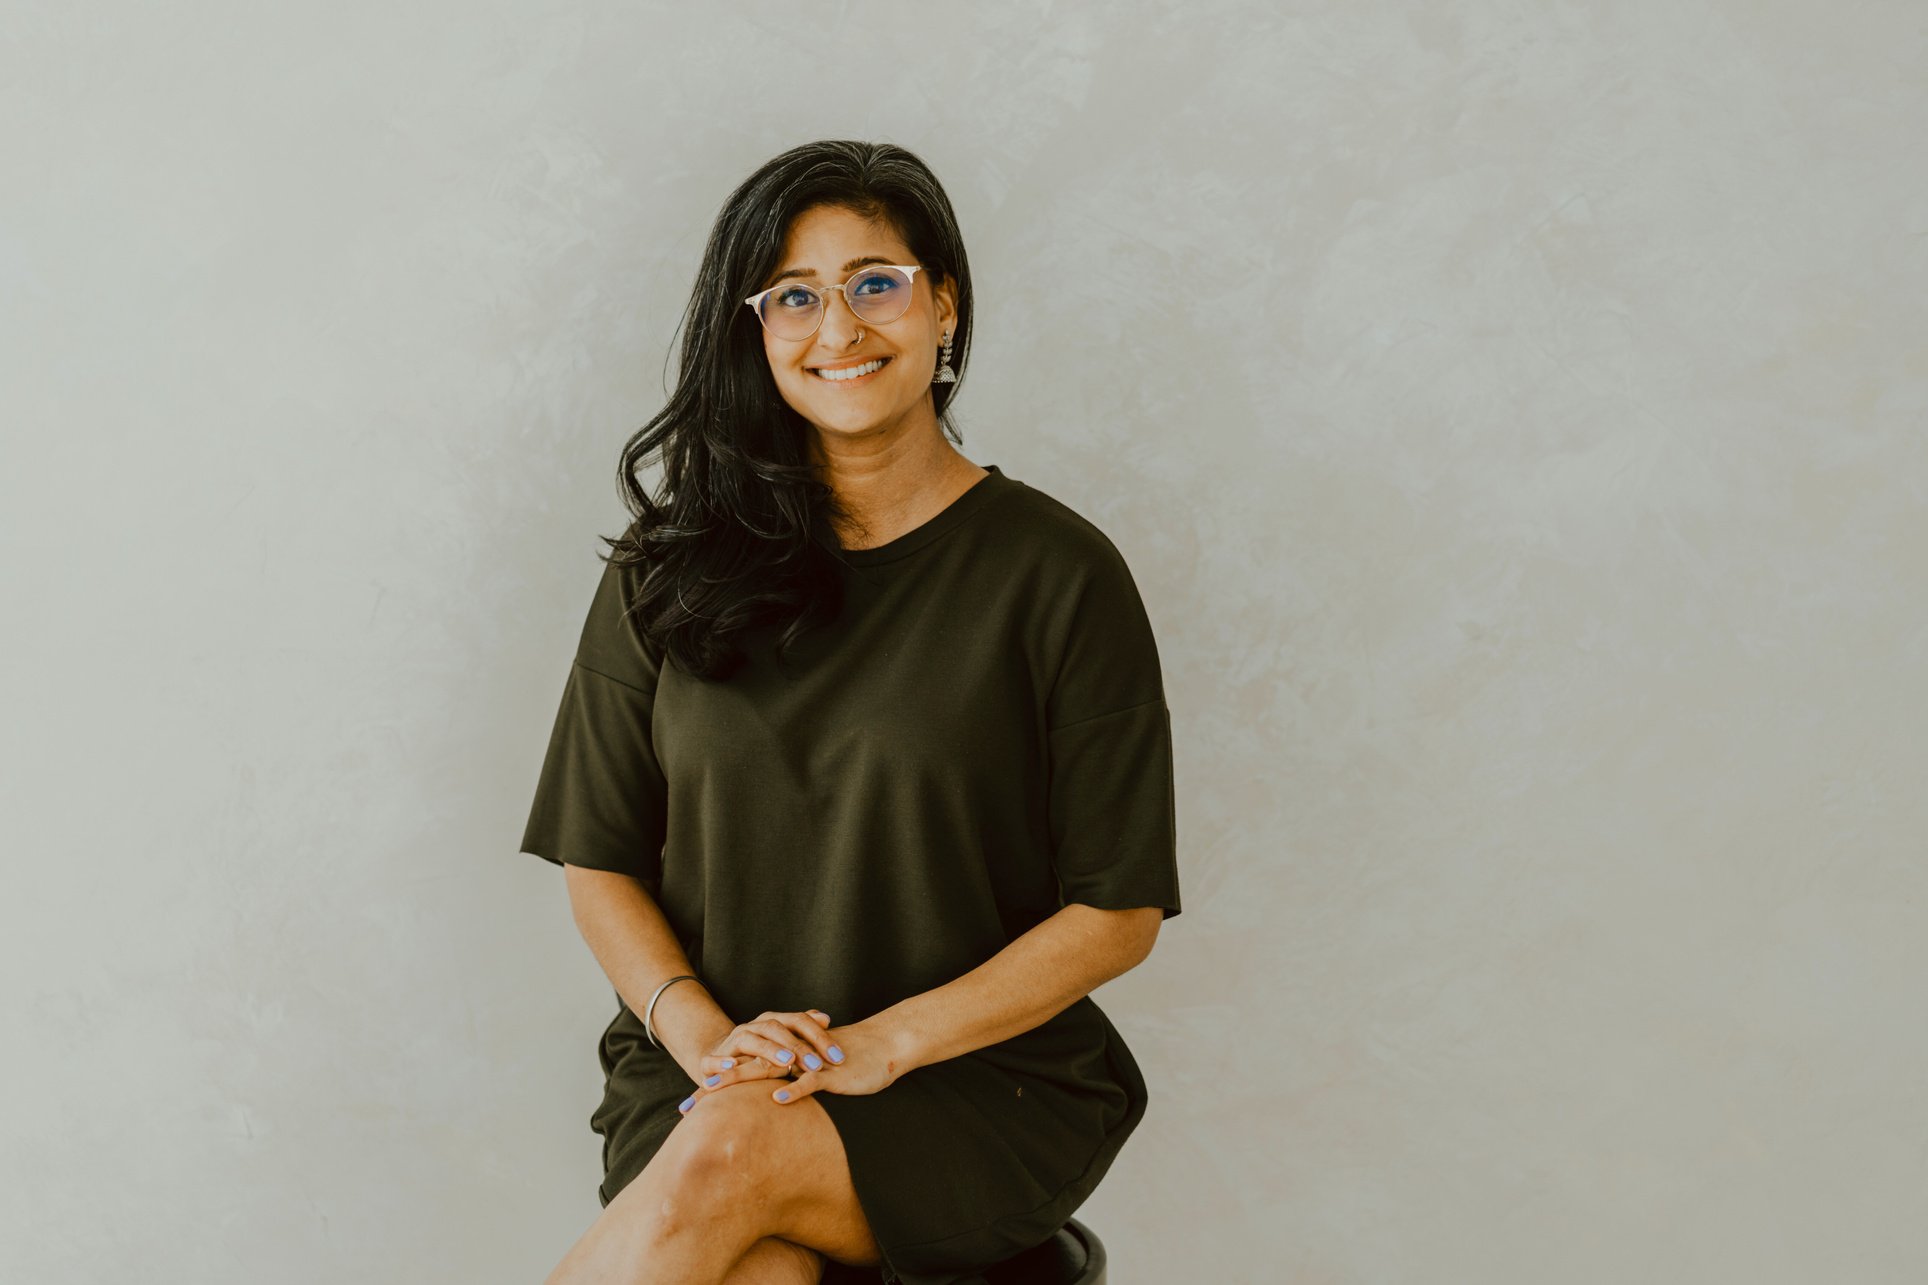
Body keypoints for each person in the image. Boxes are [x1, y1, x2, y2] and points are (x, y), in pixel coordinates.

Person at [519, 139, 1182, 1285]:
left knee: (727, 1155)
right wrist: (708, 1041)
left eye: (874, 282)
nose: (840, 328)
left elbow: (1114, 911)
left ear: (942, 306)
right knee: (753, 1255)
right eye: (794, 295)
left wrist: (878, 1047)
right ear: (755, 329)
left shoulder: (1057, 574)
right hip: (699, 1057)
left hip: (973, 1080)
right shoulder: (665, 568)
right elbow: (599, 859)